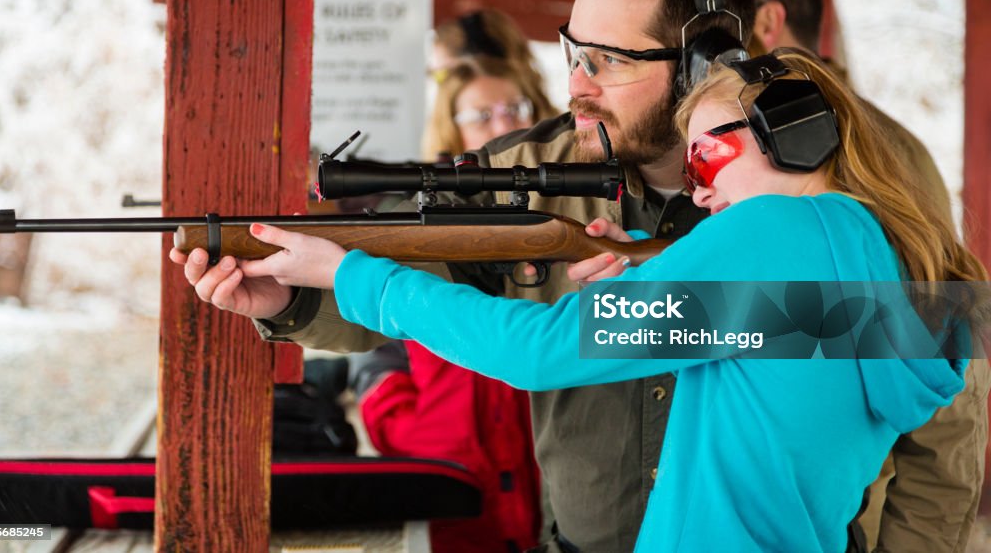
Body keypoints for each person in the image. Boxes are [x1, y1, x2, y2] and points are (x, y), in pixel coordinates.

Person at [196, 48, 985, 550]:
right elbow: (766, 357)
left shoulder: (775, 228)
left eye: (709, 157)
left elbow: (535, 354)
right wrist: (649, 282)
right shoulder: (879, 255)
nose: (700, 192)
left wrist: (354, 277)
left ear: (795, 137)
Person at [171, 0, 759, 552]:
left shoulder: (816, 177)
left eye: (610, 60)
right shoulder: (521, 169)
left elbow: (536, 353)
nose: (577, 86)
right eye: (573, 54)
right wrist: (290, 299)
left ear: (705, 64)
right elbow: (397, 267)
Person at [732, 0, 991, 552]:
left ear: (768, 23)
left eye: (716, 31)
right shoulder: (722, 152)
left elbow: (949, 397)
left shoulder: (882, 159)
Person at [347, 51, 553, 553]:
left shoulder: (570, 207)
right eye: (482, 115)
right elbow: (374, 345)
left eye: (516, 108)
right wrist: (410, 427)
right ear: (451, 133)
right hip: (454, 482)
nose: (503, 124)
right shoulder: (422, 224)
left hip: (556, 481)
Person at [422, 56, 557, 161]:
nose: (504, 128)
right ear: (451, 130)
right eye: (482, 116)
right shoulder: (434, 196)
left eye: (514, 109)